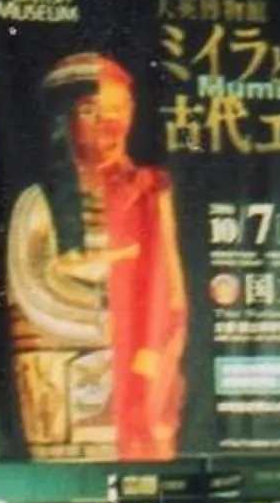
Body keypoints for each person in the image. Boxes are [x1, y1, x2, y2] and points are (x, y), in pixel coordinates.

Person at [16, 51, 188, 460]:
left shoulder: (152, 193)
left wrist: (147, 343)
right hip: (62, 374)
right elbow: (33, 289)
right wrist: (108, 301)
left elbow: (173, 293)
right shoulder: (39, 204)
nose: (109, 125)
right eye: (91, 111)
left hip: (143, 367)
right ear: (64, 120)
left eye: (118, 109)